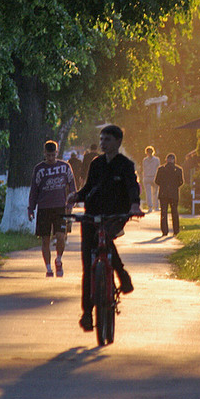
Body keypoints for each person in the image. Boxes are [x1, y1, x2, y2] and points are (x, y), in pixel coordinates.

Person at [68, 124, 141, 332]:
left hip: (116, 214)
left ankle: (121, 275)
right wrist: (76, 196)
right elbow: (88, 187)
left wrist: (134, 205)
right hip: (92, 215)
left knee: (107, 238)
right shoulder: (96, 163)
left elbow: (132, 186)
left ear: (118, 142)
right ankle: (87, 314)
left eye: (107, 139)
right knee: (88, 264)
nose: (103, 143)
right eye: (101, 139)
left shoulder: (125, 165)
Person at [27, 140, 77, 278]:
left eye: (53, 155)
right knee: (45, 239)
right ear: (44, 154)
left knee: (61, 236)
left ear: (57, 152)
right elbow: (34, 190)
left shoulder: (65, 167)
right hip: (44, 208)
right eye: (48, 155)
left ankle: (59, 259)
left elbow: (72, 185)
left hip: (60, 208)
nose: (51, 158)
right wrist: (31, 208)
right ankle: (48, 268)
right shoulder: (39, 169)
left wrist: (71, 203)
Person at [154, 152, 184, 237]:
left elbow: (157, 181)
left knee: (163, 213)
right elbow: (181, 182)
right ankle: (176, 230)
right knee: (174, 212)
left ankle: (164, 231)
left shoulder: (161, 169)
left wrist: (164, 186)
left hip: (163, 193)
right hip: (174, 193)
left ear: (166, 160)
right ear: (174, 160)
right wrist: (174, 186)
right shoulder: (178, 170)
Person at [141, 146, 161, 212]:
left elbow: (144, 169)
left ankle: (151, 207)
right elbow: (158, 169)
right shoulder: (156, 160)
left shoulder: (145, 160)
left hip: (148, 177)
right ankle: (156, 207)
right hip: (153, 177)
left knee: (149, 193)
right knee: (154, 193)